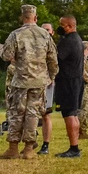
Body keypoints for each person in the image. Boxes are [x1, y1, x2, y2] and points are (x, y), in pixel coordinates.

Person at [0, 5, 58, 159]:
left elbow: (7, 55)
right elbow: (53, 60)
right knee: (33, 114)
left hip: (20, 81)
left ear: (22, 17)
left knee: (16, 114)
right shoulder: (45, 35)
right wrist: (52, 76)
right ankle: (29, 149)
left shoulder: (16, 34)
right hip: (39, 81)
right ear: (35, 18)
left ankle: (13, 148)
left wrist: (1, 49)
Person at [53, 15, 85, 158]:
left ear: (70, 26)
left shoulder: (69, 40)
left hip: (68, 81)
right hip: (76, 81)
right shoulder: (77, 39)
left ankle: (74, 148)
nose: (60, 27)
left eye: (62, 25)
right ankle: (74, 146)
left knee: (69, 114)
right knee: (73, 113)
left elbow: (56, 57)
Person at [40, 22, 56, 154]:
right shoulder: (36, 43)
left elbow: (55, 64)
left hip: (48, 82)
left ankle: (45, 144)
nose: (45, 31)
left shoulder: (53, 46)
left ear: (52, 32)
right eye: (43, 29)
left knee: (46, 114)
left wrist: (52, 78)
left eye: (47, 29)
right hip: (34, 81)